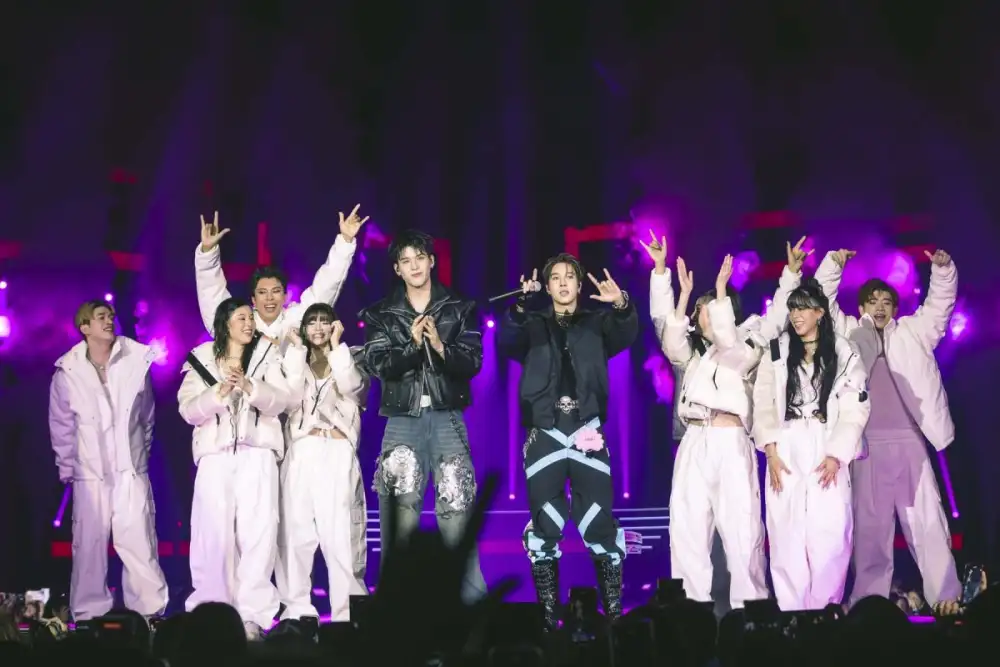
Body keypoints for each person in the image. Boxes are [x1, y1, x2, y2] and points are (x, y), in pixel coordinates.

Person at [647, 234, 807, 611]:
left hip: (732, 440)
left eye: (707, 309)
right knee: (686, 528)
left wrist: (790, 275)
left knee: (743, 531)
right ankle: (689, 612)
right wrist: (671, 283)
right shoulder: (695, 356)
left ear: (725, 310)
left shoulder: (750, 339)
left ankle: (751, 614)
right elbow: (670, 339)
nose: (700, 316)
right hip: (694, 439)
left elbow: (775, 317)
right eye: (699, 311)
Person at [815, 248, 962, 611]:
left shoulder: (913, 331)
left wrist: (943, 271)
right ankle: (870, 603)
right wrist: (833, 265)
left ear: (895, 308)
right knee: (871, 529)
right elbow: (821, 302)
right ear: (861, 306)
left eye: (886, 301)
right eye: (872, 301)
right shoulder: (849, 332)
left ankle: (945, 597)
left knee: (928, 523)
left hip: (910, 442)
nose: (879, 307)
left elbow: (939, 307)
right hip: (867, 447)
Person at [498, 252, 638, 629]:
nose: (563, 283)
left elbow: (626, 331)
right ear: (547, 286)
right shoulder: (532, 324)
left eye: (569, 277)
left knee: (599, 520)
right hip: (545, 431)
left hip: (587, 429)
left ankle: (614, 620)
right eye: (556, 278)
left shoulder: (597, 324)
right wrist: (520, 305)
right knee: (545, 523)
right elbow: (507, 340)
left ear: (578, 284)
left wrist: (621, 304)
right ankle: (549, 620)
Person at [359, 229, 487, 603]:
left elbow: (473, 362)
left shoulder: (459, 308)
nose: (414, 266)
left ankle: (471, 605)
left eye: (420, 258)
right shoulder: (381, 314)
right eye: (406, 260)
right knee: (400, 513)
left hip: (448, 418)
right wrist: (413, 347)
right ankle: (397, 606)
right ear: (397, 269)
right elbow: (379, 365)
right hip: (402, 421)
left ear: (431, 261)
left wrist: (440, 347)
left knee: (457, 508)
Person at [177, 297, 294, 639]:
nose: (249, 323)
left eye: (250, 318)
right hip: (215, 456)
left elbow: (281, 401)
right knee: (212, 535)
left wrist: (249, 386)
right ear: (226, 323)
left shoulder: (267, 354)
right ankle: (211, 614)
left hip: (257, 453)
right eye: (242, 318)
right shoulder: (201, 358)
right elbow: (188, 411)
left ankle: (252, 616)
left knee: (258, 534)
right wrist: (219, 392)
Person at [753, 279, 871, 610]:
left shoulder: (843, 350)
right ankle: (793, 612)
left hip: (826, 441)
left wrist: (836, 454)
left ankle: (825, 610)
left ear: (820, 312)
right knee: (785, 530)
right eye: (792, 308)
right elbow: (763, 400)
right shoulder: (777, 349)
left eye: (803, 308)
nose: (796, 315)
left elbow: (855, 406)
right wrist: (771, 451)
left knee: (830, 530)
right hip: (786, 442)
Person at [48, 300, 169, 622]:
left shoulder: (135, 362)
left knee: (140, 543)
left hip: (130, 471)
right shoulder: (68, 372)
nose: (109, 320)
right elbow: (61, 425)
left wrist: (139, 458)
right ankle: (88, 615)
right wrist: (67, 467)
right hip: (90, 474)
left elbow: (146, 417)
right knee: (88, 547)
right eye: (101, 317)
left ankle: (149, 614)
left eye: (111, 316)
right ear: (84, 327)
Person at [275, 302, 370, 622]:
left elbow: (355, 390)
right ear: (303, 328)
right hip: (302, 451)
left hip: (338, 451)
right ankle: (296, 613)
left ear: (334, 325)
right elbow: (288, 400)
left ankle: (347, 615)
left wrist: (337, 348)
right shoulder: (294, 361)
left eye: (324, 321)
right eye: (311, 321)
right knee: (296, 535)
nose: (318, 327)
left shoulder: (351, 356)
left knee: (342, 535)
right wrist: (295, 351)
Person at [195, 205, 366, 345]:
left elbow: (327, 285)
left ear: (285, 296)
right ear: (253, 300)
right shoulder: (240, 325)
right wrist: (208, 252)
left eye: (276, 291)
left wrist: (345, 241)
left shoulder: (296, 320)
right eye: (262, 292)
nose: (269, 298)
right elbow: (212, 296)